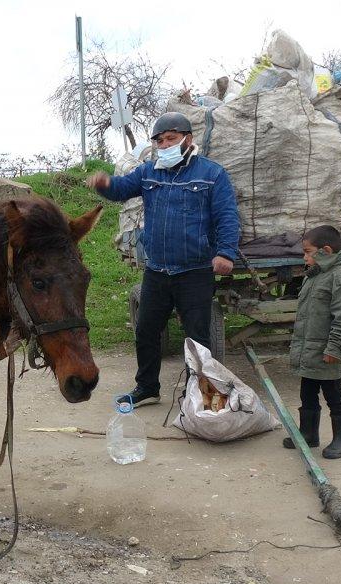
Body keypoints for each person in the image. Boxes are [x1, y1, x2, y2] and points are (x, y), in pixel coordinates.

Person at [87, 111, 241, 407]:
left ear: (188, 139)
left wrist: (225, 253)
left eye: (171, 138)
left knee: (197, 337)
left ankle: (198, 391)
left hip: (194, 270)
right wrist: (104, 183)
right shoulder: (148, 171)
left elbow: (226, 216)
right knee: (146, 331)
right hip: (157, 270)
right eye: (159, 140)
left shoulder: (212, 174)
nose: (165, 144)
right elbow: (122, 189)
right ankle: (147, 387)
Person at [283, 225, 341, 459]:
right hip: (311, 350)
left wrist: (335, 348)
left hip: (327, 351)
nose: (304, 257)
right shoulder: (313, 276)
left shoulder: (340, 279)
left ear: (326, 250)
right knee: (307, 392)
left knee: (333, 394)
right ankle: (308, 433)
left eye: (308, 252)